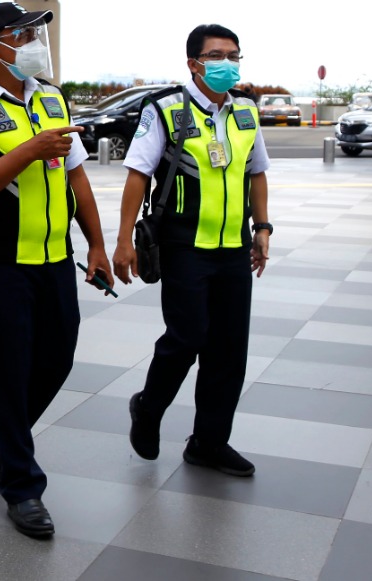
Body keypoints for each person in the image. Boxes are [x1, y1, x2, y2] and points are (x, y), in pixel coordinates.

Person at [0, 2, 113, 539]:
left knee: (55, 363)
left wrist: (99, 246)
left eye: (37, 31)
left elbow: (77, 175)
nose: (38, 42)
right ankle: (22, 487)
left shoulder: (52, 99)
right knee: (9, 379)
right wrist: (29, 151)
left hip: (55, 262)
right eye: (26, 33)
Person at [112, 23, 271, 479]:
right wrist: (124, 240)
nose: (228, 64)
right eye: (217, 55)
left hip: (233, 246)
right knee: (187, 337)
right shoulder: (165, 109)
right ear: (194, 63)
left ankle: (208, 442)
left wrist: (261, 227)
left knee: (228, 350)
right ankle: (148, 407)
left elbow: (256, 172)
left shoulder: (245, 112)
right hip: (184, 245)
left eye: (234, 55)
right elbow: (138, 174)